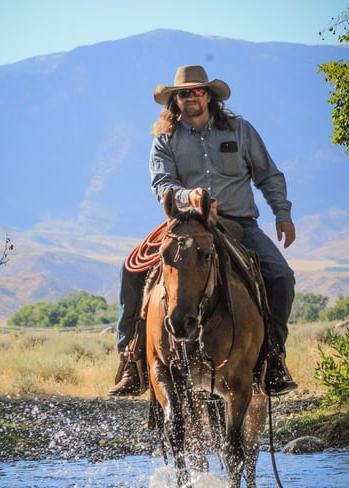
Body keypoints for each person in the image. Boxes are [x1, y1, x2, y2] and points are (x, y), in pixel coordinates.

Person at [109, 65, 298, 398]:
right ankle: (130, 360)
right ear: (175, 100)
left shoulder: (240, 130)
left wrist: (282, 213)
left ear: (209, 96)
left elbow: (267, 174)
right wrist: (189, 196)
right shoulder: (165, 139)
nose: (191, 97)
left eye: (197, 91)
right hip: (186, 223)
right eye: (184, 93)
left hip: (239, 223)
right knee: (131, 270)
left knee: (281, 277)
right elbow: (162, 183)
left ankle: (273, 356)